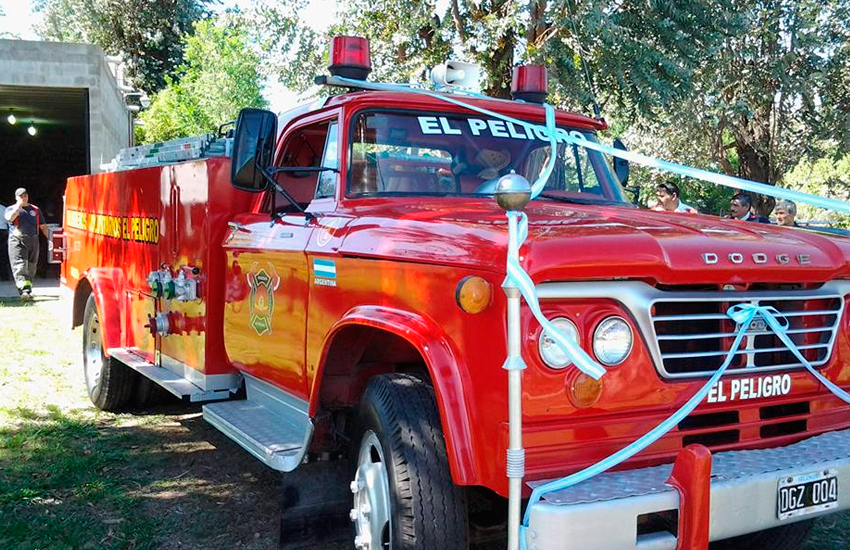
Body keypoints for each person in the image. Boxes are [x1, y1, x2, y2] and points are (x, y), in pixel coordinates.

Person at [4, 188, 48, 299]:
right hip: (17, 240)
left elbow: (43, 227)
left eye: (25, 196)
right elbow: (9, 218)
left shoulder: (35, 210)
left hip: (33, 240)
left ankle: (28, 290)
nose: (24, 198)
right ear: (16, 198)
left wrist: (50, 239)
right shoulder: (10, 209)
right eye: (21, 196)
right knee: (20, 266)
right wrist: (18, 207)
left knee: (31, 267)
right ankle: (23, 292)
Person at [0, 200, 11, 281]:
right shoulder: (4, 208)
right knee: (2, 255)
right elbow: (9, 221)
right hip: (3, 231)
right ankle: (4, 276)